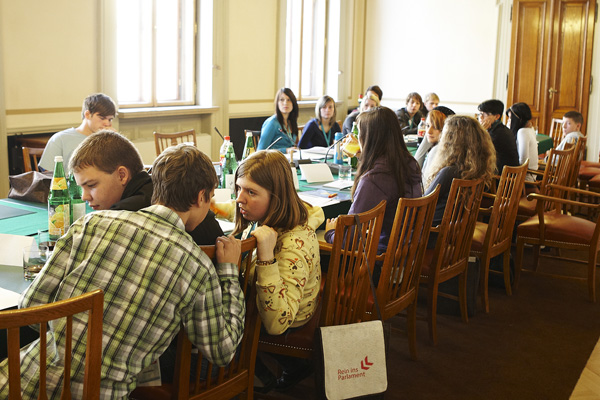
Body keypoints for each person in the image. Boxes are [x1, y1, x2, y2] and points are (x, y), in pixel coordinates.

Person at [0, 144, 245, 399]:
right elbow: (222, 352)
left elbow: (31, 305)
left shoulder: (90, 224)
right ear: (201, 196)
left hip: (19, 381)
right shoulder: (196, 265)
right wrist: (229, 272)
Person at [212, 150, 324, 392]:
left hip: (288, 316)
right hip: (275, 302)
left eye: (251, 192)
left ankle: (255, 374)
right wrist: (209, 205)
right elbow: (236, 206)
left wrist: (266, 257)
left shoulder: (293, 245)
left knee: (217, 314)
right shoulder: (266, 214)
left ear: (276, 198)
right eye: (239, 188)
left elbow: (277, 323)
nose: (240, 199)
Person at [69, 130, 223, 244]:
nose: (84, 196)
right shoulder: (170, 190)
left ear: (122, 175)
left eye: (91, 185)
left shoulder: (117, 219)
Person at [325, 107, 422, 260]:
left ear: (369, 139)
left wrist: (330, 232)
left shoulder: (374, 179)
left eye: (360, 135)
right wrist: (364, 156)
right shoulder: (410, 163)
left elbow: (347, 241)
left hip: (378, 261)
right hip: (406, 256)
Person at [424, 115, 496, 229]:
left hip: (433, 231)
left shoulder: (449, 172)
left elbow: (423, 203)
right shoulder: (477, 169)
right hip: (456, 229)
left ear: (450, 141)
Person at [38, 93, 117, 173]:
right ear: (87, 114)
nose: (107, 123)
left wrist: (112, 142)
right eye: (102, 118)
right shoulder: (60, 139)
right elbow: (48, 175)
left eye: (110, 119)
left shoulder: (109, 141)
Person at [477, 99, 520, 174]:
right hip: (504, 174)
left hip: (502, 178)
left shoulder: (498, 134)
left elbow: (478, 152)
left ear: (497, 116)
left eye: (485, 114)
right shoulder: (500, 129)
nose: (481, 117)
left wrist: (481, 131)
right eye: (480, 114)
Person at [257, 88, 299, 153]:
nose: (285, 103)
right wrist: (285, 150)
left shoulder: (291, 122)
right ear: (277, 103)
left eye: (289, 100)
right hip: (275, 159)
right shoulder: (272, 123)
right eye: (282, 100)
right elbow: (261, 151)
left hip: (289, 158)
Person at [506, 102, 538, 180]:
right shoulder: (530, 128)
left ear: (517, 119)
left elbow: (523, 161)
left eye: (510, 118)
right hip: (529, 174)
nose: (508, 121)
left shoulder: (522, 132)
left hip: (526, 177)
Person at [414, 109, 448, 177]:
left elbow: (415, 171)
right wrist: (427, 138)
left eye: (435, 127)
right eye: (427, 126)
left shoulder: (437, 150)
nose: (429, 131)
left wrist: (426, 140)